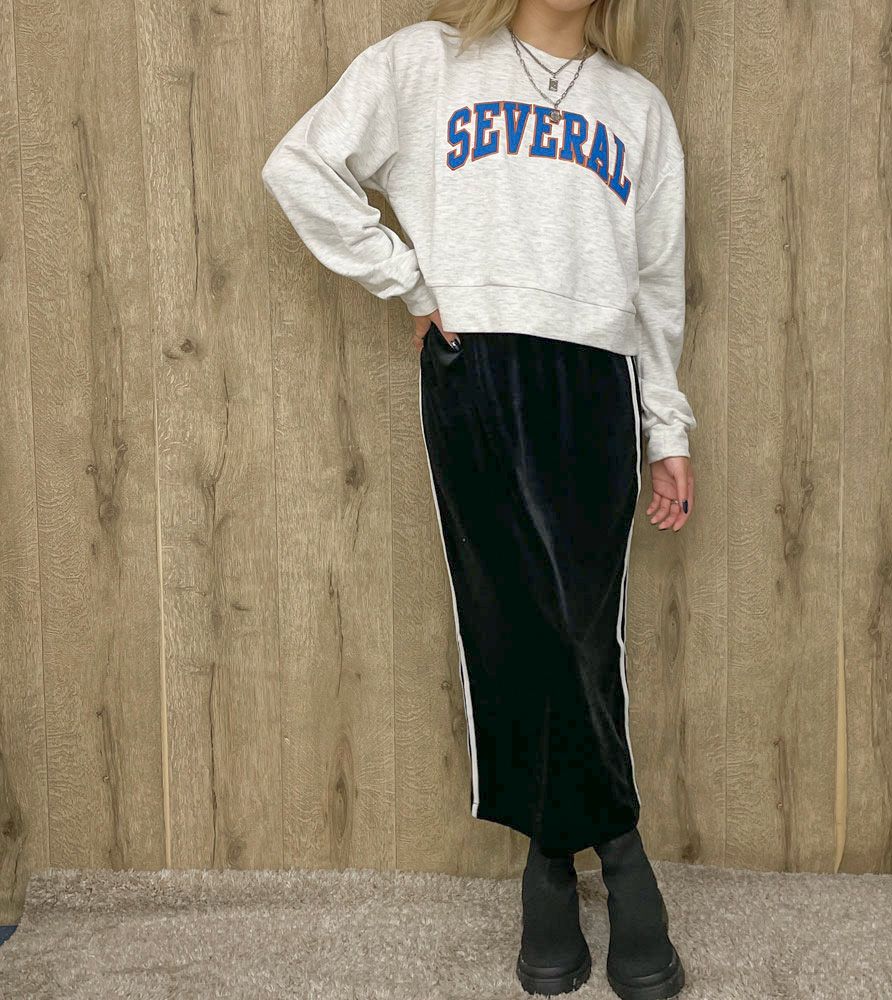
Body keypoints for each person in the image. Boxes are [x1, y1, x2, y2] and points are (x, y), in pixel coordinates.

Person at [261, 1, 695, 996]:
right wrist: (409, 282)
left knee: (582, 626)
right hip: (478, 365)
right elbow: (300, 164)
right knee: (511, 620)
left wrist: (665, 428)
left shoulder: (636, 106)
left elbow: (657, 282)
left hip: (598, 376)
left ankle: (555, 858)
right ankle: (620, 857)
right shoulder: (431, 62)